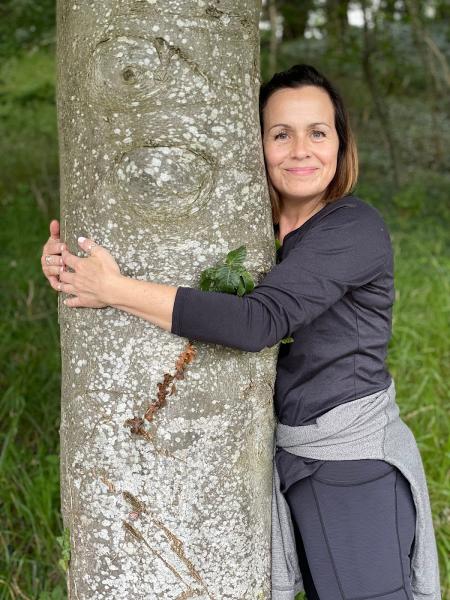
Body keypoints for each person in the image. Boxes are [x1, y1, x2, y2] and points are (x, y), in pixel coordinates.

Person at [41, 65, 440, 599]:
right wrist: (75, 270)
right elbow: (206, 305)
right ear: (257, 146)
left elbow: (256, 322)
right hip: (298, 459)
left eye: (317, 132)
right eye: (281, 133)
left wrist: (114, 288)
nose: (300, 149)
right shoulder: (258, 236)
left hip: (353, 466)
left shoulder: (353, 227)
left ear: (341, 145)